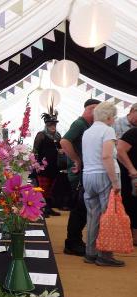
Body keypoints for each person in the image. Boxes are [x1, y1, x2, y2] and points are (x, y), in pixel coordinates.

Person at [82, 102, 124, 266]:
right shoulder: (108, 130)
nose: (114, 120)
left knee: (92, 215)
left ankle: (90, 253)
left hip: (88, 176)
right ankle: (105, 255)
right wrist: (115, 182)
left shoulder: (88, 131)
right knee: (108, 216)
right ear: (108, 117)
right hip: (104, 175)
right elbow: (107, 156)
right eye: (113, 116)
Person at [60, 98, 100, 255]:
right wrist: (77, 159)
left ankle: (75, 240)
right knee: (79, 209)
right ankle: (72, 243)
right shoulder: (79, 124)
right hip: (79, 173)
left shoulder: (87, 125)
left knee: (81, 209)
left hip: (84, 172)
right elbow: (64, 141)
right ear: (91, 109)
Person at [33, 111, 62, 217]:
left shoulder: (58, 136)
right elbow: (35, 150)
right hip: (43, 167)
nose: (53, 126)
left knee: (50, 189)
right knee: (43, 189)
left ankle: (48, 208)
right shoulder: (41, 135)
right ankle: (42, 209)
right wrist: (36, 164)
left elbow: (60, 148)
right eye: (50, 124)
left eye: (54, 124)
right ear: (46, 125)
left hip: (54, 166)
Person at [117, 127, 137, 245]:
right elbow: (120, 151)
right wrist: (132, 169)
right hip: (130, 176)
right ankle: (131, 235)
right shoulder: (133, 133)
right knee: (131, 204)